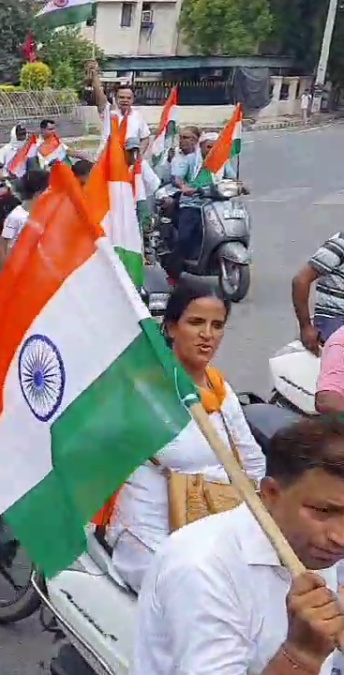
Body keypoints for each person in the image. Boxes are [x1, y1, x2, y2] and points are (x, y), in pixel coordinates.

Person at [135, 415, 344, 673]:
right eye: (322, 511)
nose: (340, 537)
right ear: (271, 494)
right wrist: (302, 654)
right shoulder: (201, 567)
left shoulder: (313, 548)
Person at [108, 282, 265, 591]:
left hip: (214, 525)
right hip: (150, 533)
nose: (208, 334)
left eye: (217, 325)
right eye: (196, 322)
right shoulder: (147, 386)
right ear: (170, 327)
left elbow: (253, 462)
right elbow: (179, 453)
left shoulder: (219, 389)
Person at [165, 131, 237, 283]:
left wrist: (240, 185)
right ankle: (173, 273)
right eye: (208, 147)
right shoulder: (191, 160)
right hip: (192, 205)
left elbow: (232, 178)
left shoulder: (222, 161)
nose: (211, 150)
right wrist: (183, 186)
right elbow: (177, 178)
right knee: (185, 238)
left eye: (214, 147)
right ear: (201, 146)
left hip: (216, 204)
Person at [0, 168, 50, 262]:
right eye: (48, 190)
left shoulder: (48, 213)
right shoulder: (16, 216)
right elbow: (4, 246)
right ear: (38, 193)